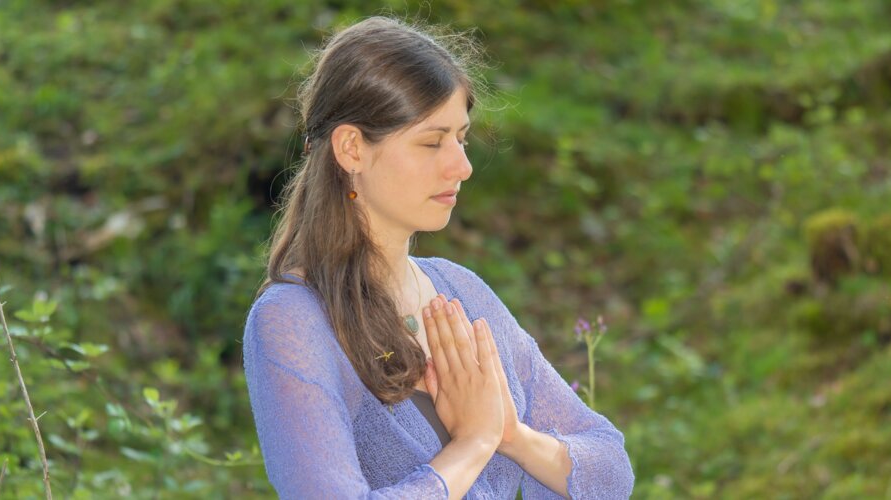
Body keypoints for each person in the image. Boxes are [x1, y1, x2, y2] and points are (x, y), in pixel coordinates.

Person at [242, 15, 635, 499]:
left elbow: (611, 472)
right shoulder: (292, 323)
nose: (462, 166)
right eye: (432, 142)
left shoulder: (460, 291)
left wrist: (512, 436)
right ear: (351, 148)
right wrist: (472, 445)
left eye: (461, 138)